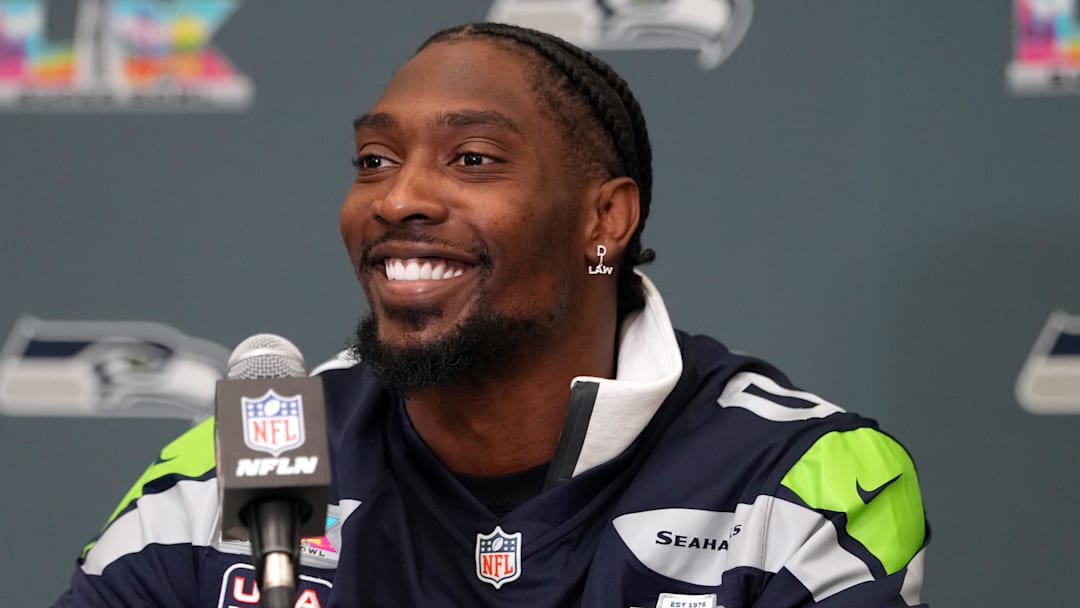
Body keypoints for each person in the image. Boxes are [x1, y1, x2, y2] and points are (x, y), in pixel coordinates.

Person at [55, 22, 929, 608]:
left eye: (472, 159)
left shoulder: (799, 481)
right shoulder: (239, 461)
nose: (398, 196)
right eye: (373, 158)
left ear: (604, 222)